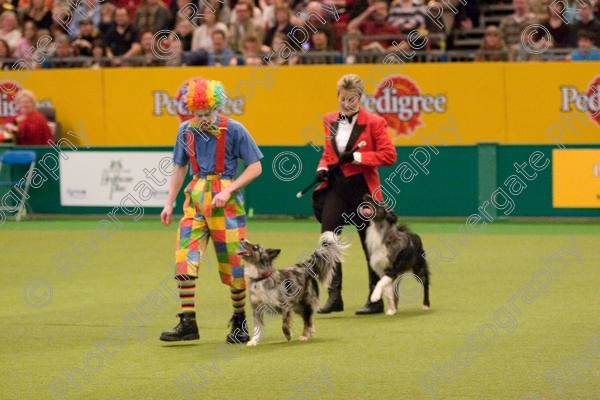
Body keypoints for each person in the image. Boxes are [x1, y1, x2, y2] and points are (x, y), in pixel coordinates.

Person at [159, 78, 263, 343]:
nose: (203, 119)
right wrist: (169, 201)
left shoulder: (235, 129)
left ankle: (239, 322)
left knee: (234, 263)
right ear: (191, 110)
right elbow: (180, 167)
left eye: (207, 113)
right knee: (184, 258)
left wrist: (229, 189)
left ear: (216, 107)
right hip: (195, 196)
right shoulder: (185, 131)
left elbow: (255, 167)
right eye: (198, 114)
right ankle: (187, 321)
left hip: (225, 200)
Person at [312, 74, 397, 315]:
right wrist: (322, 168)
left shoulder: (375, 122)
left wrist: (359, 157)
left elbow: (389, 156)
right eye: (343, 98)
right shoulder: (329, 120)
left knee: (370, 243)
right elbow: (328, 155)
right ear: (337, 97)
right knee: (328, 239)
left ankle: (375, 298)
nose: (347, 103)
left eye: (352, 99)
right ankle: (334, 296)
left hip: (363, 189)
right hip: (336, 187)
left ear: (360, 98)